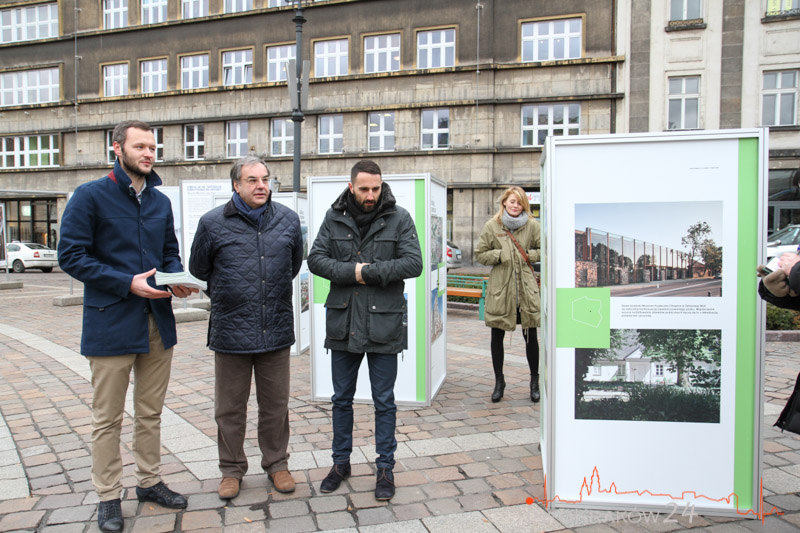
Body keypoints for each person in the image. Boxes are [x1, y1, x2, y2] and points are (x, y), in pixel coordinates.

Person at [58, 120, 197, 533]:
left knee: (150, 413)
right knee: (108, 419)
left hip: (156, 321)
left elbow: (168, 253)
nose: (149, 153)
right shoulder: (89, 196)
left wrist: (176, 279)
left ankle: (149, 482)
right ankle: (108, 496)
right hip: (110, 322)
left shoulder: (160, 201)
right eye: (140, 146)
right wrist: (126, 282)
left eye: (153, 147)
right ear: (117, 148)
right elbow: (71, 256)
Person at [307, 159, 422, 501]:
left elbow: (413, 263)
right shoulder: (334, 217)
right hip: (343, 324)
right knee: (341, 399)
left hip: (384, 323)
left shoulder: (399, 217)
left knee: (384, 401)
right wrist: (350, 272)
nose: (371, 195)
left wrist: (365, 272)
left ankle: (385, 467)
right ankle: (340, 463)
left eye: (376, 188)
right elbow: (316, 259)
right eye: (364, 189)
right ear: (351, 187)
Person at [189, 156, 303, 500]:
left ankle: (277, 464)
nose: (261, 186)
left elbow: (293, 266)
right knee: (229, 409)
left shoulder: (288, 220)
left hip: (275, 327)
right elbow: (199, 268)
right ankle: (231, 469)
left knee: (275, 406)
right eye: (252, 180)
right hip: (231, 329)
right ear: (236, 185)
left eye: (265, 179)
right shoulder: (212, 223)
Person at [474, 186, 541, 403]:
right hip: (501, 289)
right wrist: (499, 254)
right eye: (512, 201)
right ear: (504, 202)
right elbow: (480, 254)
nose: (515, 206)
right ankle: (499, 382)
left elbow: (545, 250)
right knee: (497, 336)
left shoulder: (533, 225)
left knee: (531, 336)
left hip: (525, 289)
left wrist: (529, 255)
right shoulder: (492, 225)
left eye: (520, 202)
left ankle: (534, 381)